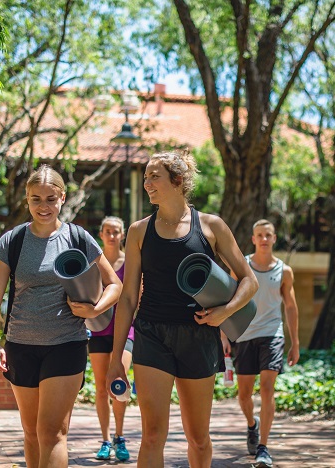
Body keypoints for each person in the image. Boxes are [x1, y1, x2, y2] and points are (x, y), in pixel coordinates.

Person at [106, 150, 258, 468]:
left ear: (177, 181)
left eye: (154, 176)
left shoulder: (211, 226)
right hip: (151, 334)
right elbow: (129, 298)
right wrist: (115, 358)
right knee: (151, 435)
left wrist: (226, 311)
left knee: (198, 439)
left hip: (199, 337)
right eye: (145, 176)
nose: (147, 183)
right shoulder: (138, 231)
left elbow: (249, 281)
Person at [0, 165, 122, 468]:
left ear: (62, 198)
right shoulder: (12, 241)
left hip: (66, 344)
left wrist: (96, 309)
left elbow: (115, 284)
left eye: (50, 199)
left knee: (53, 432)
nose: (43, 206)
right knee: (31, 433)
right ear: (26, 200)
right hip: (21, 345)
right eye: (35, 199)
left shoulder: (78, 238)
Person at [221, 219, 300, 468]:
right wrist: (224, 335)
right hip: (244, 334)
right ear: (253, 239)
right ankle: (252, 425)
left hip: (272, 334)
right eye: (259, 235)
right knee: (244, 395)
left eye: (268, 235)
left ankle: (264, 448)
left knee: (267, 388)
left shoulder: (284, 271)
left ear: (274, 238)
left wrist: (295, 342)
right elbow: (228, 298)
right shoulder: (242, 266)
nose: (264, 239)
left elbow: (290, 306)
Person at [88, 216, 134, 462]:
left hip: (125, 331)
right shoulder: (95, 263)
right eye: (108, 231)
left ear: (123, 234)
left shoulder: (131, 263)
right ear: (101, 234)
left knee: (119, 384)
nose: (112, 235)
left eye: (116, 231)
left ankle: (119, 437)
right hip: (98, 331)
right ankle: (105, 440)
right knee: (101, 387)